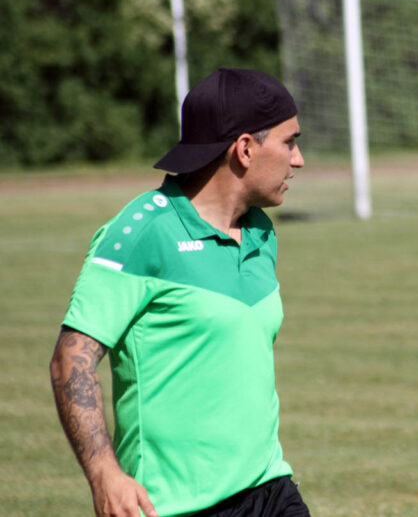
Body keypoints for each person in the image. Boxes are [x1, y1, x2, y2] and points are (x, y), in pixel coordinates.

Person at [50, 68, 310, 517]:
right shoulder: (140, 233)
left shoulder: (260, 233)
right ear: (245, 149)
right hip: (174, 506)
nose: (299, 159)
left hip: (270, 488)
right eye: (289, 142)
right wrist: (104, 474)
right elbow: (70, 358)